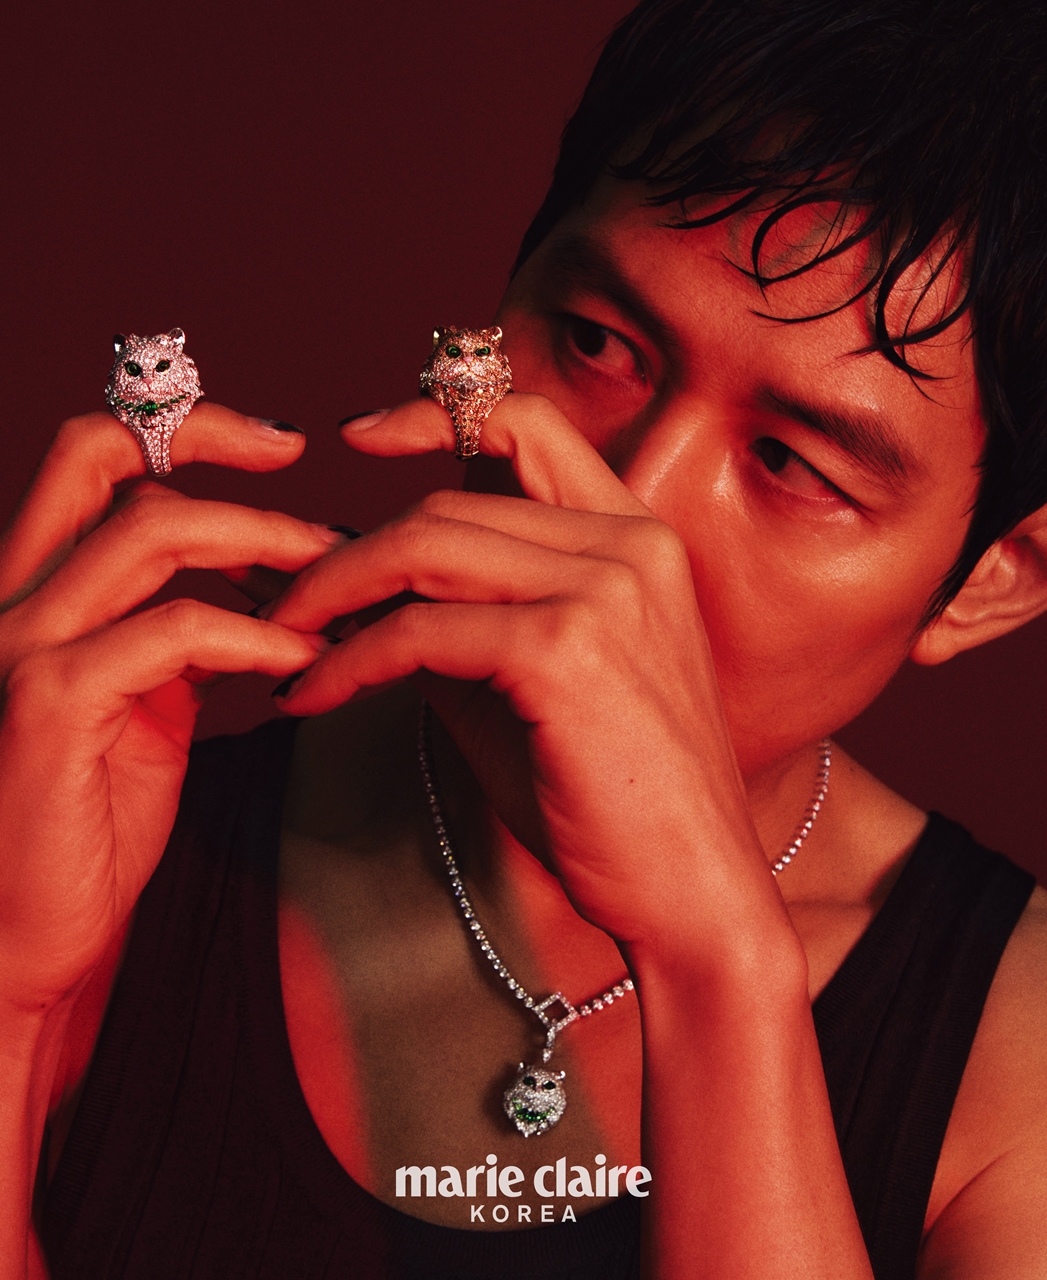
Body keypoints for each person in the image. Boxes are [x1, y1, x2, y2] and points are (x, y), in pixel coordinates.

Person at [2, 0, 1047, 1275]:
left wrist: (716, 963)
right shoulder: (104, 838)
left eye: (792, 464)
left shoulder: (1019, 1060)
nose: (623, 516)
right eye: (598, 344)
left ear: (995, 580)